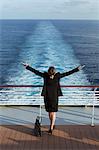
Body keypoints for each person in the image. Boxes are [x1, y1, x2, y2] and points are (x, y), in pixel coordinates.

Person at [22, 63, 85, 134]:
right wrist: (77, 69)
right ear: (54, 72)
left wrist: (27, 67)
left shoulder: (46, 76)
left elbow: (36, 72)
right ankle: (52, 125)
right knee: (52, 112)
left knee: (50, 112)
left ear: (49, 71)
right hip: (54, 97)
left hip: (47, 96)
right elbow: (68, 73)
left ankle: (51, 127)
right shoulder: (57, 76)